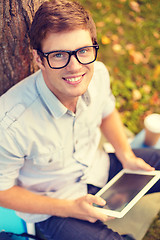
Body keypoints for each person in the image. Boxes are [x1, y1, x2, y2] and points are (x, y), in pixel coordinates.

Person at [0, 0, 159, 239]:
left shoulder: (99, 74)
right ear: (39, 59)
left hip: (99, 168)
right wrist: (69, 208)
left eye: (83, 51)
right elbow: (3, 191)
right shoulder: (9, 123)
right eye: (59, 55)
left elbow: (107, 113)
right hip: (54, 206)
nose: (75, 67)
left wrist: (127, 157)